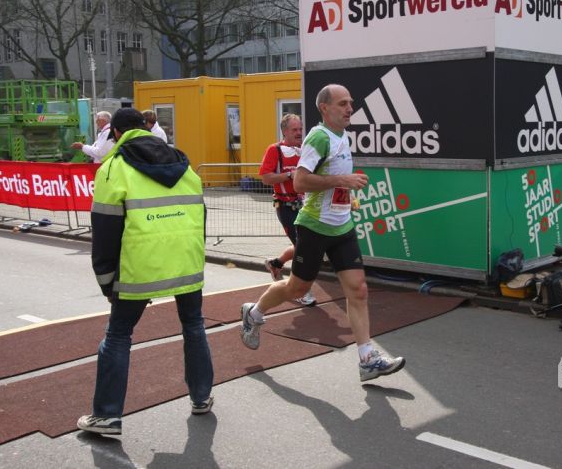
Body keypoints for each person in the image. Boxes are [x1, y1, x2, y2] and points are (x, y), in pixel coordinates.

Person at [239, 84, 406, 382]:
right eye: (342, 104)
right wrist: (341, 180)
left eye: (350, 103)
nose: (350, 108)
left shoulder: (343, 136)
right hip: (314, 226)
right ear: (324, 108)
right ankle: (253, 313)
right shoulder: (318, 137)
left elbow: (332, 181)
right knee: (297, 289)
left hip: (342, 226)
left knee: (358, 290)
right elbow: (300, 182)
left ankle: (367, 359)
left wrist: (346, 196)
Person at [77, 108, 213, 435]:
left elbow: (105, 232)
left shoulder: (113, 169)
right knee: (193, 325)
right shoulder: (183, 164)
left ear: (116, 134)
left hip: (139, 266)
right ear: (145, 127)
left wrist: (107, 282)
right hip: (185, 261)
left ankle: (107, 415)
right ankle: (201, 397)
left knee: (118, 335)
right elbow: (201, 217)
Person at [259, 113, 316, 307]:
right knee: (304, 248)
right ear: (284, 131)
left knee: (307, 244)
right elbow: (265, 178)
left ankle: (275, 263)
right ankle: (302, 291)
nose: (299, 133)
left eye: (300, 129)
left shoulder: (305, 149)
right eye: (294, 130)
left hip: (306, 205)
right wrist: (289, 175)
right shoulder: (275, 150)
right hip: (286, 206)